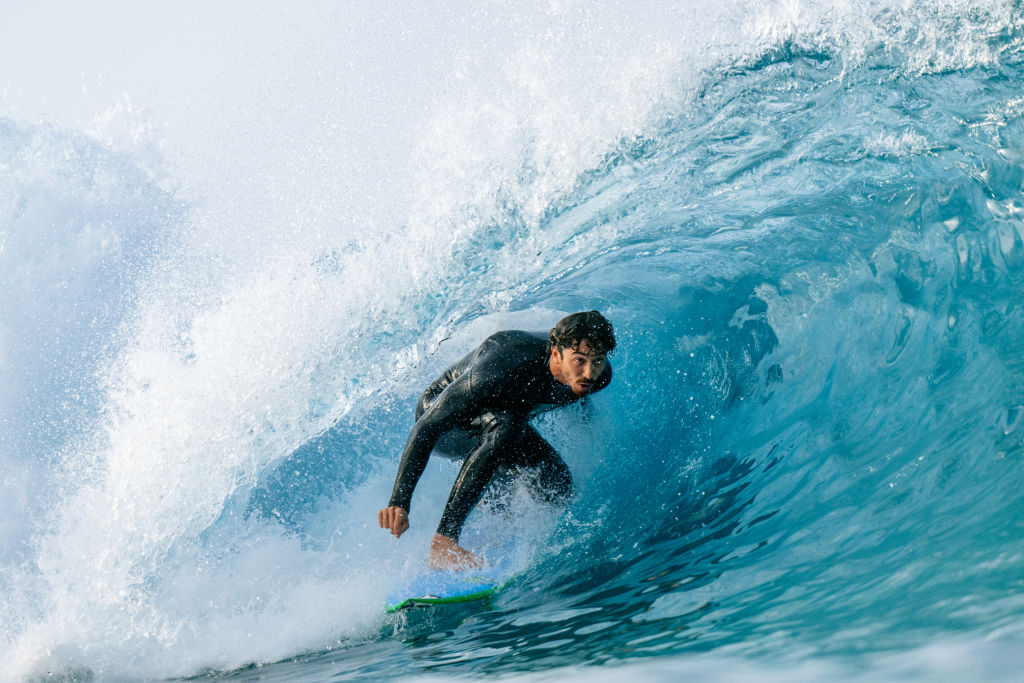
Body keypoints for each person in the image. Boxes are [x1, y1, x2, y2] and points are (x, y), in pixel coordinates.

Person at [377, 311, 616, 570]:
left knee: (559, 487)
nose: (589, 373)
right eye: (579, 360)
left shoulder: (596, 377)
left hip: (501, 424)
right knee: (509, 426)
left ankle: (491, 512)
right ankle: (443, 542)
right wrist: (400, 500)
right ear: (556, 353)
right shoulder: (505, 363)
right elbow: (425, 428)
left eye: (598, 361)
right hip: (446, 425)